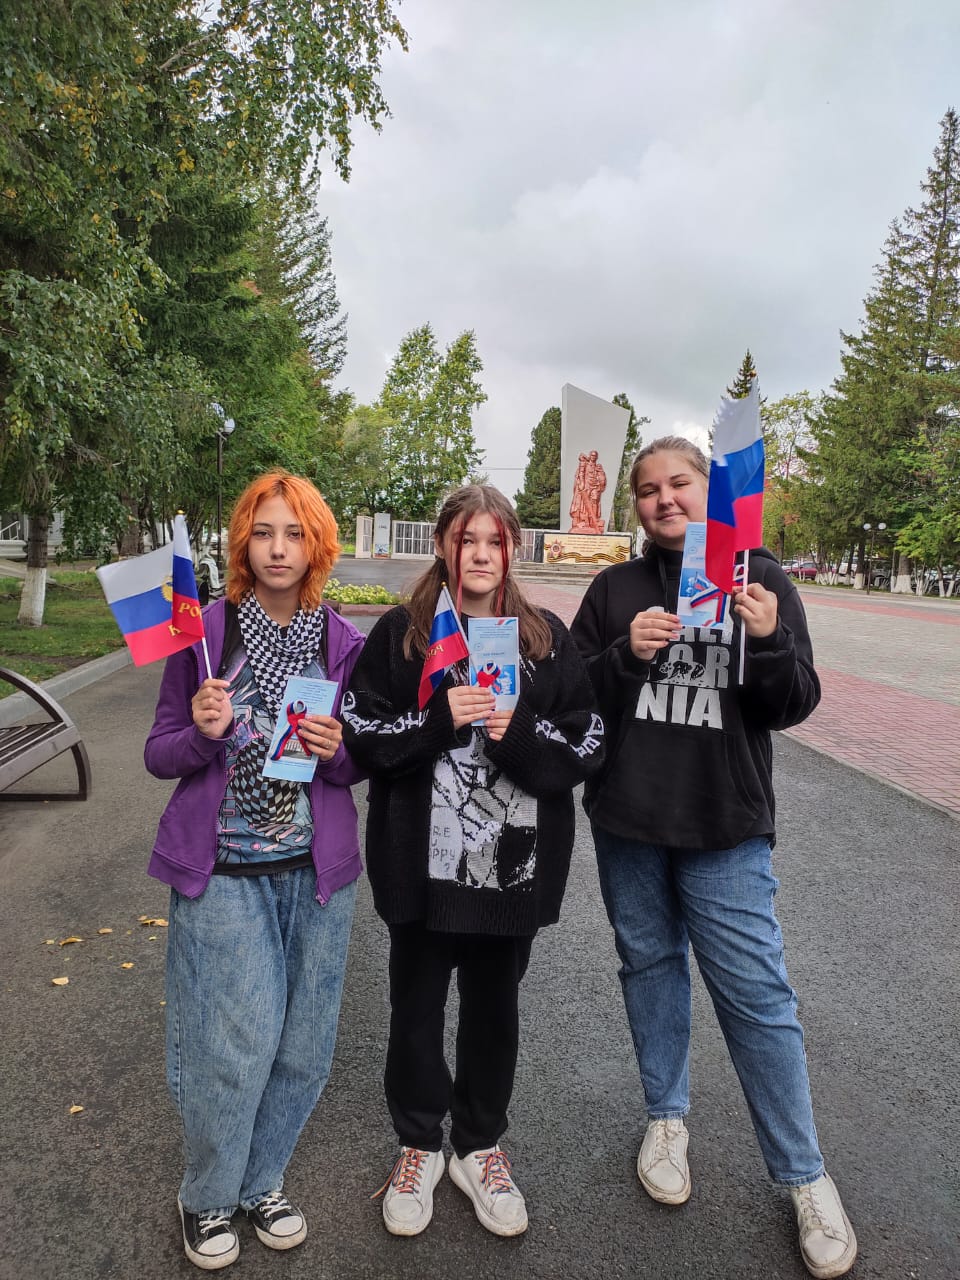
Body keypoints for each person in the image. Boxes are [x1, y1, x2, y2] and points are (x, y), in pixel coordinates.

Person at [570, 437, 857, 1279]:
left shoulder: (759, 576)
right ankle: (667, 1116)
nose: (665, 500)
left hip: (725, 827)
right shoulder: (614, 587)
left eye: (680, 484)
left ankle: (805, 1178)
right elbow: (574, 694)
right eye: (649, 490)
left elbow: (793, 701)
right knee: (649, 967)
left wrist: (766, 637)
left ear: (710, 489)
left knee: (759, 998)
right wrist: (626, 652)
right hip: (628, 821)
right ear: (637, 504)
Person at [340, 484, 604, 1240]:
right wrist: (432, 722)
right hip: (420, 871)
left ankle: (479, 1145)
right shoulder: (404, 635)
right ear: (444, 547)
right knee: (416, 1010)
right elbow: (364, 735)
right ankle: (420, 1145)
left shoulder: (545, 639)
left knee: (494, 1012)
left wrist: (517, 728)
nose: (479, 554)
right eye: (465, 540)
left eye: (493, 541)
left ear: (512, 550)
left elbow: (587, 742)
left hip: (509, 875)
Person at [144, 471, 365, 1271]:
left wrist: (340, 753)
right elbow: (159, 749)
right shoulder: (205, 631)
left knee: (304, 1044)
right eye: (264, 532)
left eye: (294, 533)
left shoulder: (342, 641)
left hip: (316, 873)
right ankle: (205, 1195)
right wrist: (202, 734)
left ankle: (261, 1178)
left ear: (316, 546)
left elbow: (359, 757)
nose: (279, 548)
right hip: (226, 870)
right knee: (231, 1045)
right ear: (244, 542)